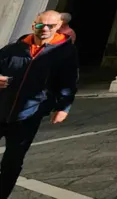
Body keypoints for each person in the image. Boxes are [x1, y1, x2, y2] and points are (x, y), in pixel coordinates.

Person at [0, 11, 78, 199]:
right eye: (41, 25)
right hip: (1, 107)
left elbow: (68, 81)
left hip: (29, 114)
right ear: (33, 25)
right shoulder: (13, 48)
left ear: (58, 27)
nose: (45, 29)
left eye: (51, 26)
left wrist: (63, 107)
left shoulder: (65, 52)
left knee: (13, 160)